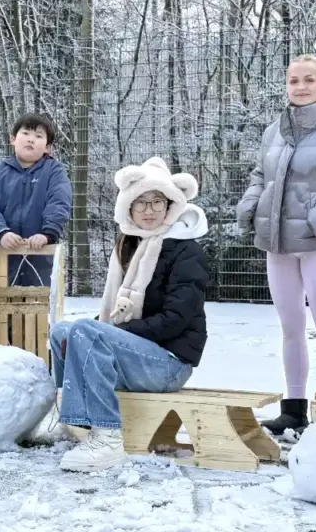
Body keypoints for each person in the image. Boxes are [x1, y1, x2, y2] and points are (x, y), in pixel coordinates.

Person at [235, 54, 316, 436]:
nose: (301, 86)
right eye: (294, 80)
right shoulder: (274, 131)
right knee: (290, 327)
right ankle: (294, 410)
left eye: (309, 79)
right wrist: (251, 205)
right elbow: (260, 175)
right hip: (277, 244)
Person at [49, 157, 209, 472]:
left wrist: (109, 333)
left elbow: (175, 320)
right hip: (137, 357)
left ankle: (107, 438)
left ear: (171, 205)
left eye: (157, 201)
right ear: (128, 207)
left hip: (169, 363)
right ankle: (73, 424)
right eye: (140, 202)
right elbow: (112, 318)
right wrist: (100, 332)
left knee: (85, 331)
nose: (149, 210)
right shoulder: (129, 246)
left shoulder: (186, 250)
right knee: (63, 332)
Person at [0, 113, 72, 287]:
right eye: (26, 133)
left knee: (39, 302)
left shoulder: (55, 172)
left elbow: (59, 202)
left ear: (47, 147)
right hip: (3, 256)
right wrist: (1, 233)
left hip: (41, 256)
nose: (31, 139)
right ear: (13, 139)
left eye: (38, 136)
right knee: (1, 302)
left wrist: (47, 234)